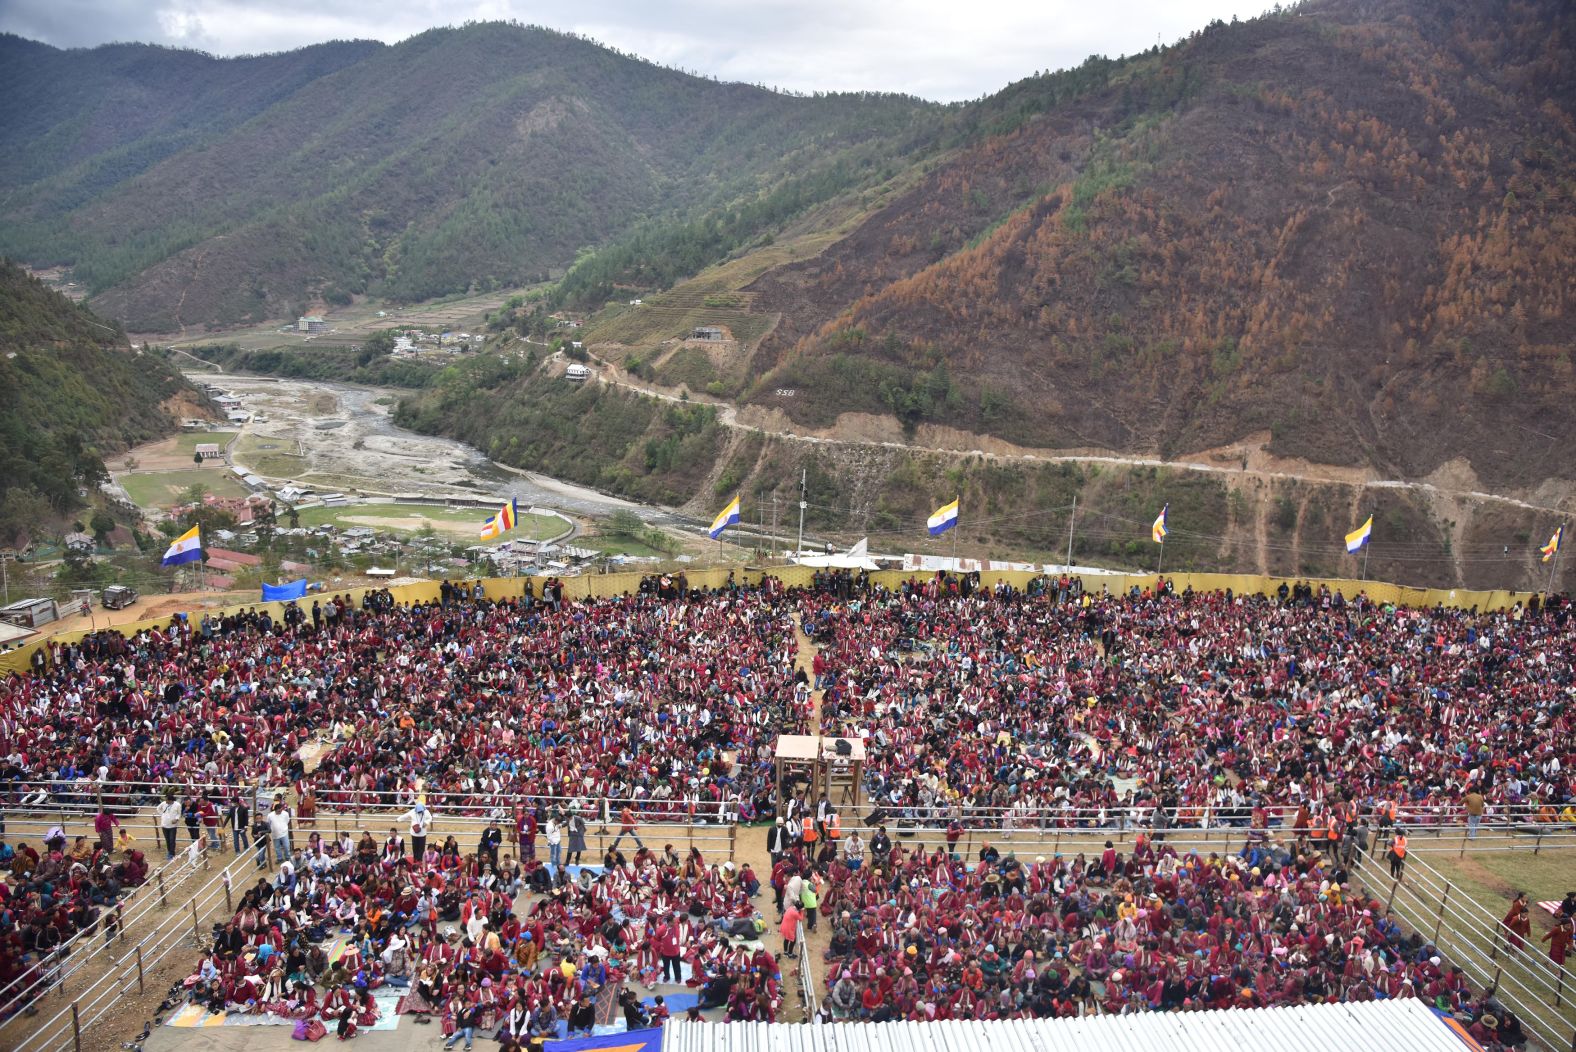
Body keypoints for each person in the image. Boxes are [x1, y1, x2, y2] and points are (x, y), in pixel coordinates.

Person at [266, 800, 293, 865]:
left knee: (286, 846)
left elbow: (287, 821)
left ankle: (287, 857)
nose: (280, 811)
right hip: (275, 834)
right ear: (275, 810)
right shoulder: (270, 815)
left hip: (284, 833)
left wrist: (283, 828)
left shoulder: (285, 814)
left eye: (281, 810)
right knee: (277, 847)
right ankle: (279, 858)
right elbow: (268, 824)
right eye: (279, 810)